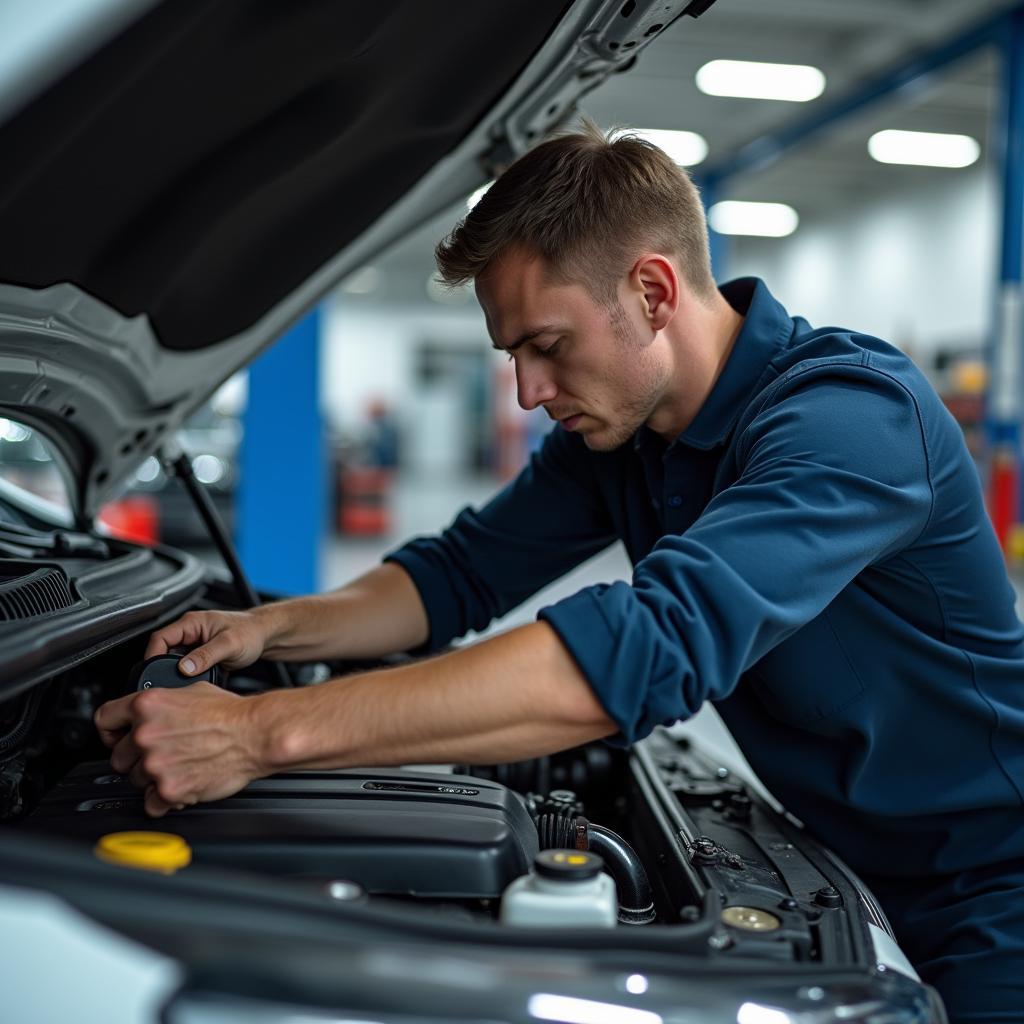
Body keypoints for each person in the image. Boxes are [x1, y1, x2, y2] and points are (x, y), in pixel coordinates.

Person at [95, 123, 1024, 1022]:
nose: (529, 392)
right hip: (850, 864)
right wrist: (275, 627)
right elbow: (456, 575)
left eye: (548, 345)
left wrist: (260, 735)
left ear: (654, 291)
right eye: (512, 356)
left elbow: (647, 650)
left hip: (995, 895)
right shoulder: (621, 439)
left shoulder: (851, 420)